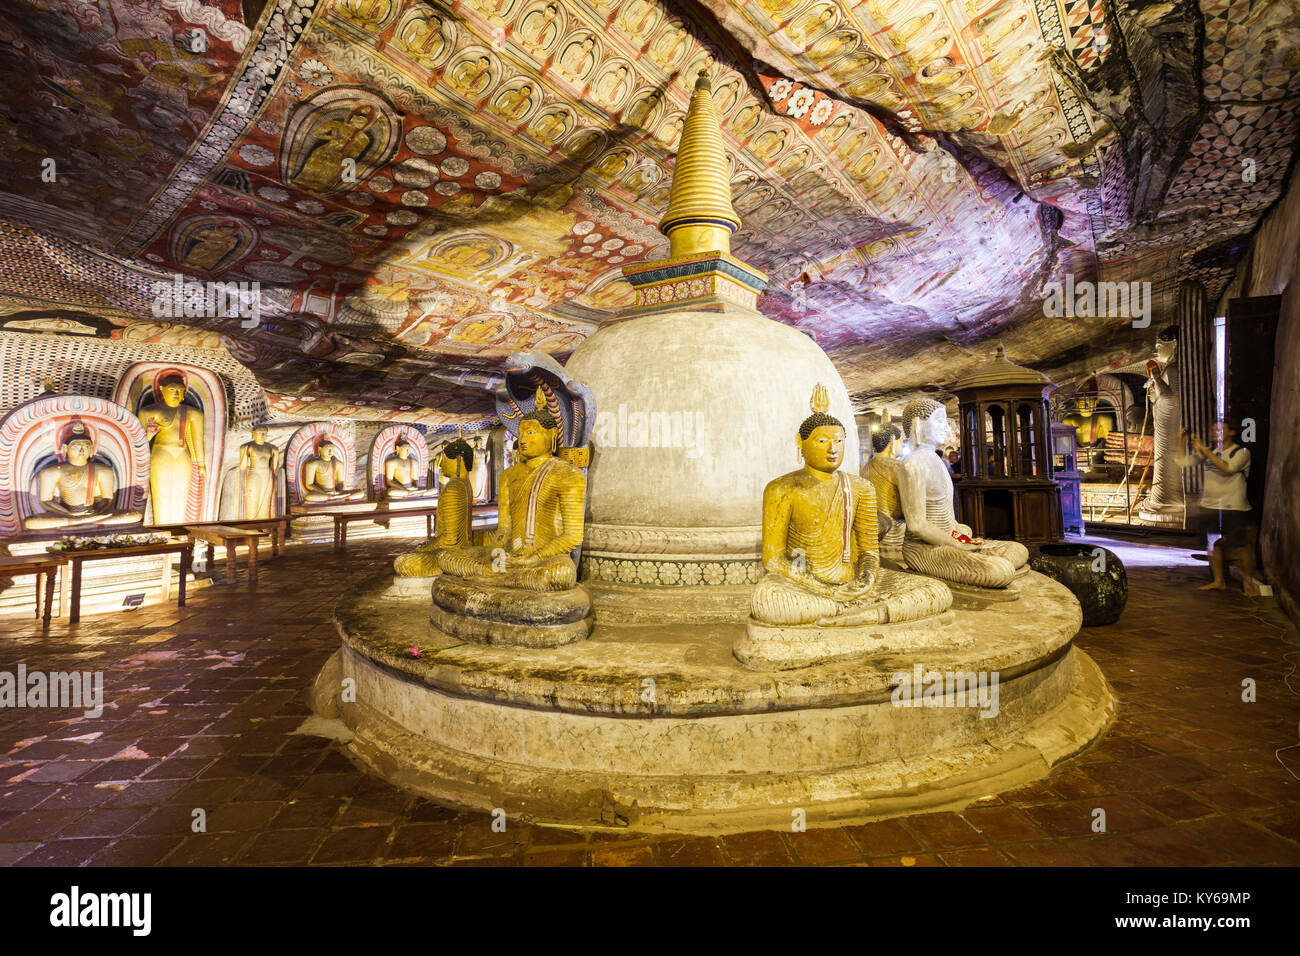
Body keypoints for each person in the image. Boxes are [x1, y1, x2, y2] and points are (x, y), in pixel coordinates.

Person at [1177, 419, 1257, 595]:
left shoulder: (1241, 452)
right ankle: (1218, 581)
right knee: (1213, 546)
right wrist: (1181, 442)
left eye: (1220, 430)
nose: (1215, 433)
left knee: (1240, 546)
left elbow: (1227, 468)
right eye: (1213, 430)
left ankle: (1248, 582)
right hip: (1210, 506)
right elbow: (1182, 462)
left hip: (1233, 506)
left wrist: (1204, 450)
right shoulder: (1210, 452)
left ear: (1231, 432)